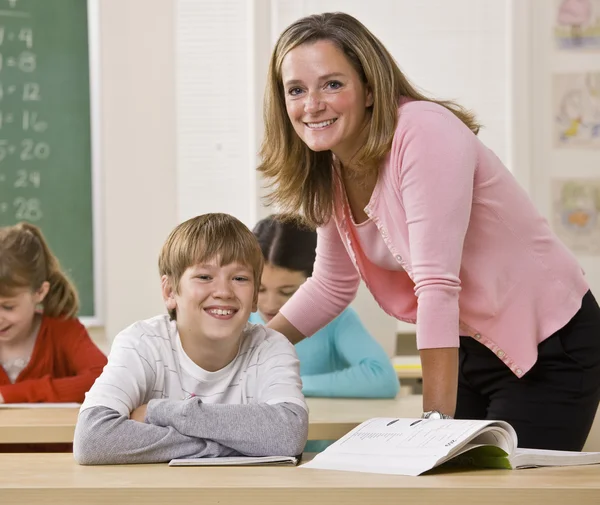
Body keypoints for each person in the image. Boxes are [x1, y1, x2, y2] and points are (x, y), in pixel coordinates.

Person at [257, 12, 600, 451]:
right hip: (468, 347)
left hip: (546, 341)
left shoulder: (423, 131)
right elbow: (330, 285)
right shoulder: (329, 167)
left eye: (333, 84)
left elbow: (436, 282)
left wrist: (434, 425)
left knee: (500, 491)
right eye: (296, 90)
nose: (312, 105)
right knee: (458, 494)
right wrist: (251, 346)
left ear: (368, 88)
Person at [74, 213, 308, 465]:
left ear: (254, 297)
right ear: (170, 291)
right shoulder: (141, 343)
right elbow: (93, 438)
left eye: (240, 278)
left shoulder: (271, 347)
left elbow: (288, 434)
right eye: (204, 277)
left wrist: (158, 411)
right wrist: (233, 447)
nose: (223, 292)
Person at [250, 214, 399, 398]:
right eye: (260, 289)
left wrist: (288, 385)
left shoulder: (336, 320)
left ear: (317, 284)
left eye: (287, 292)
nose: (270, 305)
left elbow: (383, 379)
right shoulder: (237, 318)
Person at [0, 222, 107, 404]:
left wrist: (12, 395)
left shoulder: (62, 329)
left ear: (40, 292)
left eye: (8, 307)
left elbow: (103, 378)